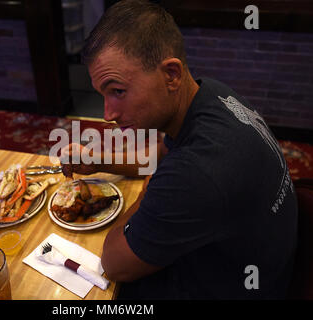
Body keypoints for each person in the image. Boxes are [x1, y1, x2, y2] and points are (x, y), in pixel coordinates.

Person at [60, 0, 298, 299]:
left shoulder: (196, 174)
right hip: (259, 262)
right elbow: (164, 150)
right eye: (103, 95)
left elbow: (113, 262)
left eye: (118, 91)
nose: (108, 113)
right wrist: (99, 160)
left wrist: (150, 191)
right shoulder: (210, 91)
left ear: (171, 74)